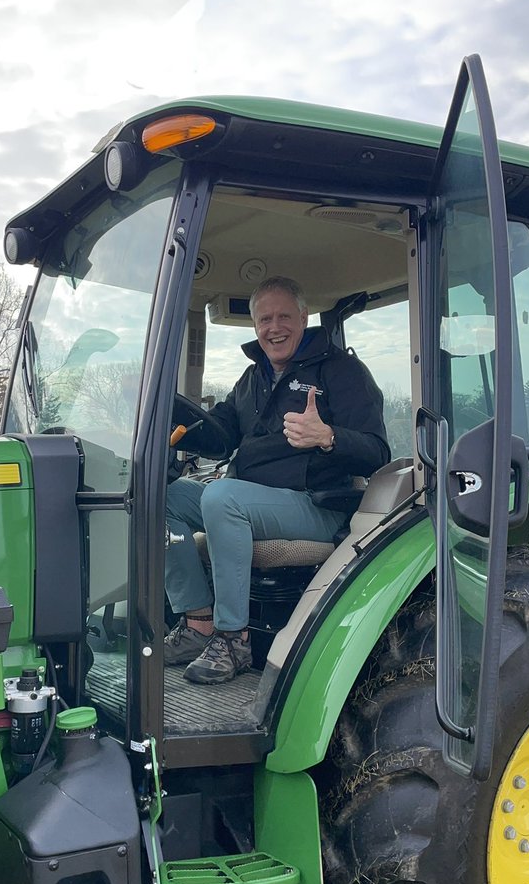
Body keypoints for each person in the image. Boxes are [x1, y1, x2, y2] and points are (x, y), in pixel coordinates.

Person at [164, 275, 390, 684]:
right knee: (161, 497)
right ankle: (198, 623)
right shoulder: (252, 379)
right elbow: (221, 437)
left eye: (284, 316)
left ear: (303, 317)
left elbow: (377, 451)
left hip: (314, 505)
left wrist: (328, 437)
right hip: (249, 497)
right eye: (264, 319)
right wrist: (178, 420)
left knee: (221, 498)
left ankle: (232, 638)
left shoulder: (341, 371)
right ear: (255, 326)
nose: (274, 327)